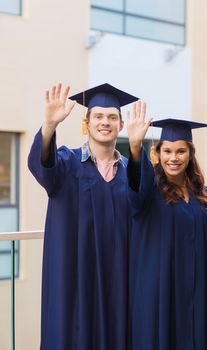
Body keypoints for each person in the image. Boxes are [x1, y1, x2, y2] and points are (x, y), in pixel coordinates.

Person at [28, 83, 137, 349]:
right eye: (98, 116)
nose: (105, 122)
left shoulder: (132, 174)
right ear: (86, 123)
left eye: (112, 117)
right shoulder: (66, 164)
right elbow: (42, 167)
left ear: (121, 125)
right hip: (76, 279)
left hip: (119, 281)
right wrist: (49, 126)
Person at [125, 103, 207, 350]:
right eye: (167, 151)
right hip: (161, 292)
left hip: (198, 294)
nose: (173, 158)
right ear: (158, 153)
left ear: (190, 154)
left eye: (180, 151)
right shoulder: (148, 190)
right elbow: (133, 192)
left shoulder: (202, 194)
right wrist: (135, 147)